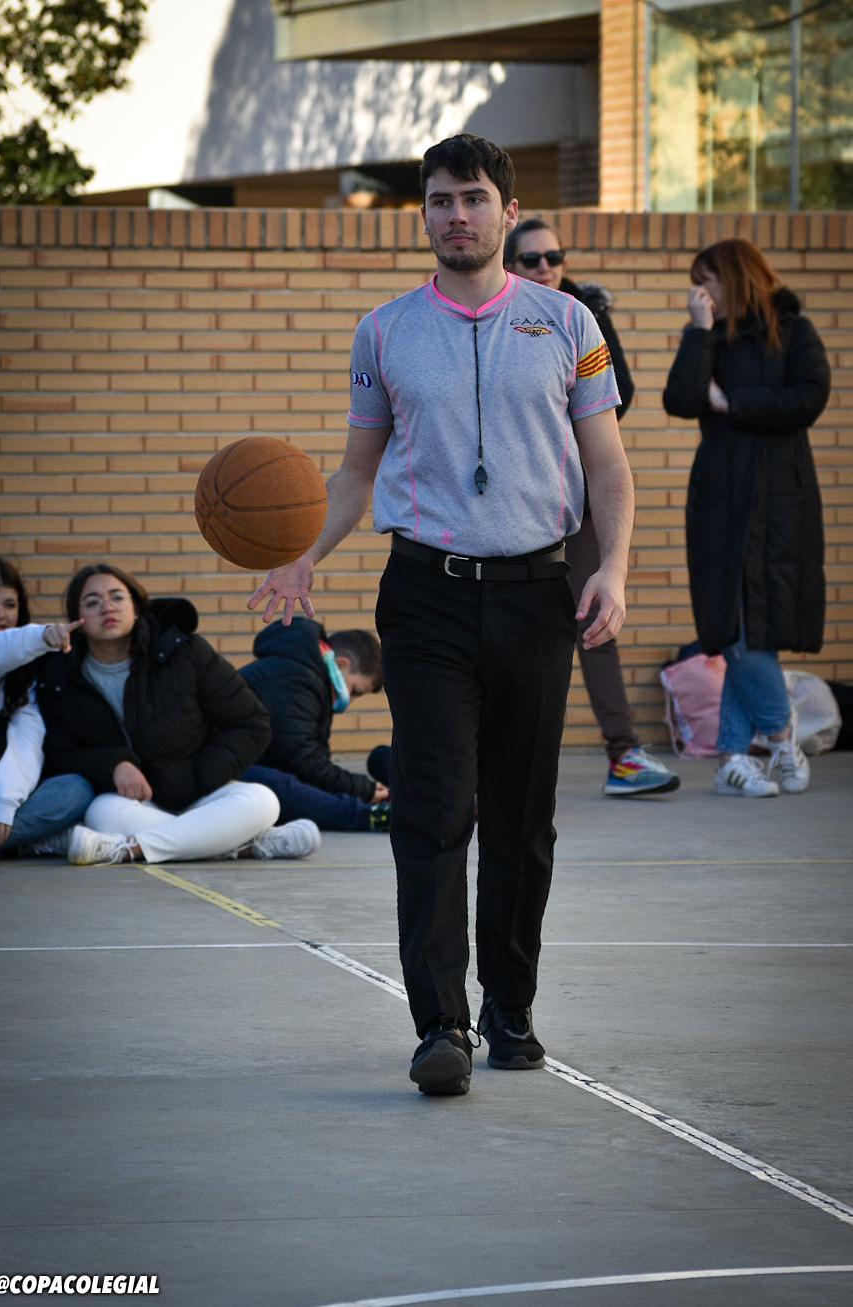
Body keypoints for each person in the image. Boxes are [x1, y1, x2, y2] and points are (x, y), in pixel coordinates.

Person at [248, 134, 634, 1096]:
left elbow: (609, 467)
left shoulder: (568, 322)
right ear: (421, 214)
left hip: (535, 592)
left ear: (506, 210)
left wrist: (614, 570)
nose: (454, 214)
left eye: (471, 198)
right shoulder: (382, 330)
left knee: (522, 818)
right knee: (432, 809)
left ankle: (510, 1009)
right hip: (422, 595)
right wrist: (303, 554)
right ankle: (440, 1026)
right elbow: (356, 471)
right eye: (437, 200)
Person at [504, 218, 678, 798]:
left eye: (554, 255)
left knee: (595, 614)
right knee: (508, 628)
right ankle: (489, 767)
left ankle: (624, 752)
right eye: (531, 259)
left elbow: (615, 397)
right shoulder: (494, 314)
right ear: (510, 263)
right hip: (505, 503)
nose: (545, 266)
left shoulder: (581, 315)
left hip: (572, 495)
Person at [663, 239, 830, 797]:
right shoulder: (711, 336)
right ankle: (781, 736)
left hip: (781, 498)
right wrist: (698, 330)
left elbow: (807, 400)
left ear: (735, 278)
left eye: (705, 280)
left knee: (752, 622)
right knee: (732, 623)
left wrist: (730, 403)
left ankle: (735, 757)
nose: (699, 291)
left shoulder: (794, 331)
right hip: (719, 498)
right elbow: (682, 398)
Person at [35, 564, 321, 864]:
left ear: (136, 607)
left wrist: (198, 777)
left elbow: (253, 724)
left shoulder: (184, 652)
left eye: (117, 597)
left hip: (202, 796)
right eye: (92, 602)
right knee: (100, 812)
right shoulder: (61, 677)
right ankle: (241, 846)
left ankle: (126, 849)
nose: (107, 607)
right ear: (76, 618)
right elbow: (58, 753)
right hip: (132, 803)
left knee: (262, 801)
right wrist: (114, 765)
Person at [0, 555, 92, 856]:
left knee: (74, 789)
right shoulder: (13, 646)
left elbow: (26, 741)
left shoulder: (25, 673)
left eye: (9, 605)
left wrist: (1, 803)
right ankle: (19, 843)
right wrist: (41, 636)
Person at [240, 618, 391, 830]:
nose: (349, 701)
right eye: (355, 691)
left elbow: (311, 759)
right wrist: (361, 789)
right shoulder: (296, 677)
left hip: (242, 766)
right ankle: (369, 816)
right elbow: (300, 758)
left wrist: (356, 789)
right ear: (341, 664)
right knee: (278, 786)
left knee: (295, 786)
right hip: (225, 772)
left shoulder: (308, 675)